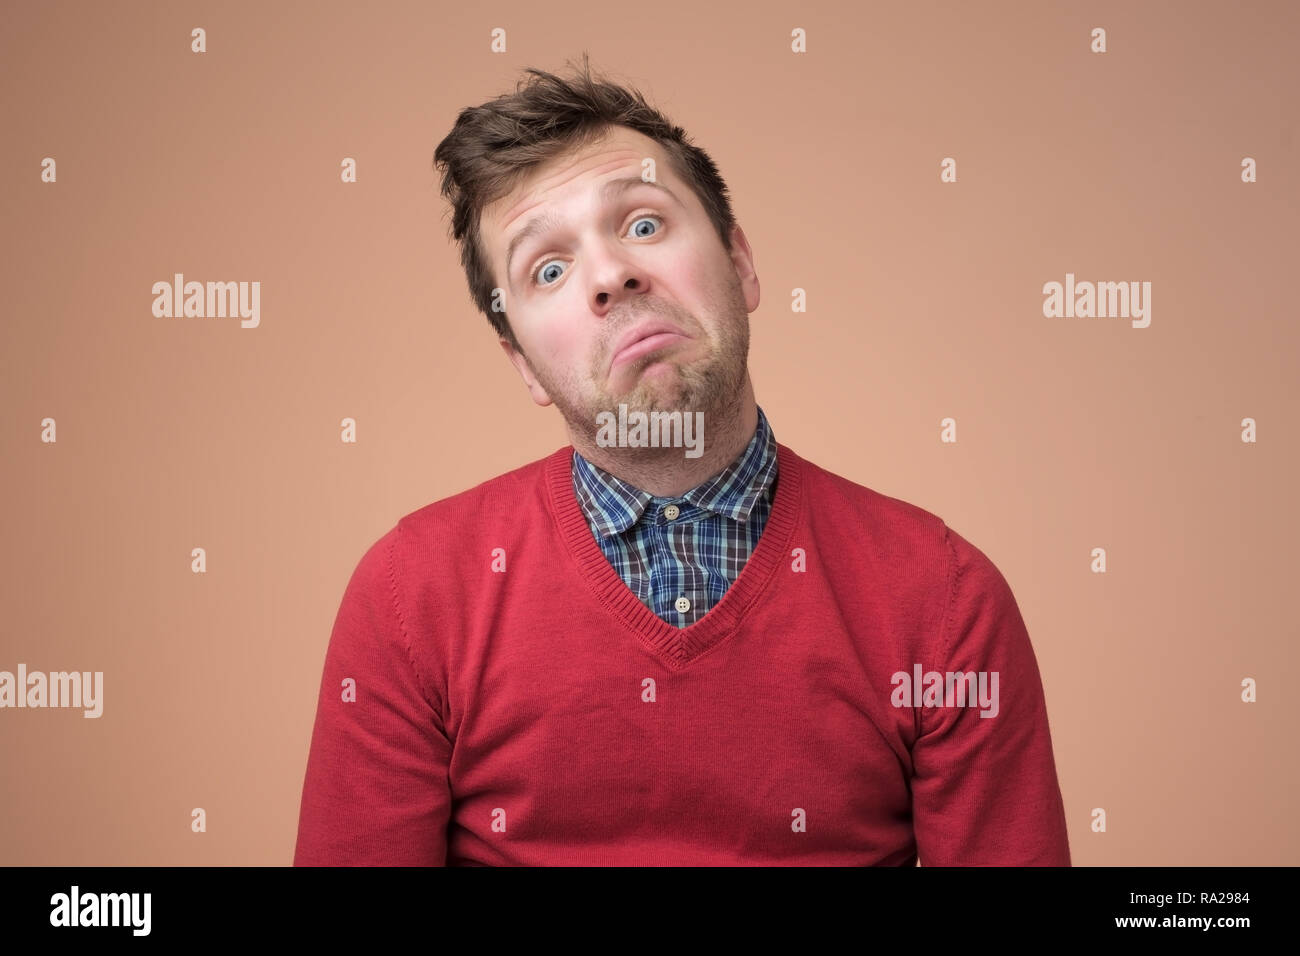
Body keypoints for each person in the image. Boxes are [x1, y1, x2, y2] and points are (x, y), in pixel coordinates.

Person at [293, 55, 1071, 866]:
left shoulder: (943, 600)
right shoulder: (409, 598)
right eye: (548, 269)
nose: (612, 275)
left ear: (740, 264)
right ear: (522, 362)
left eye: (642, 224)